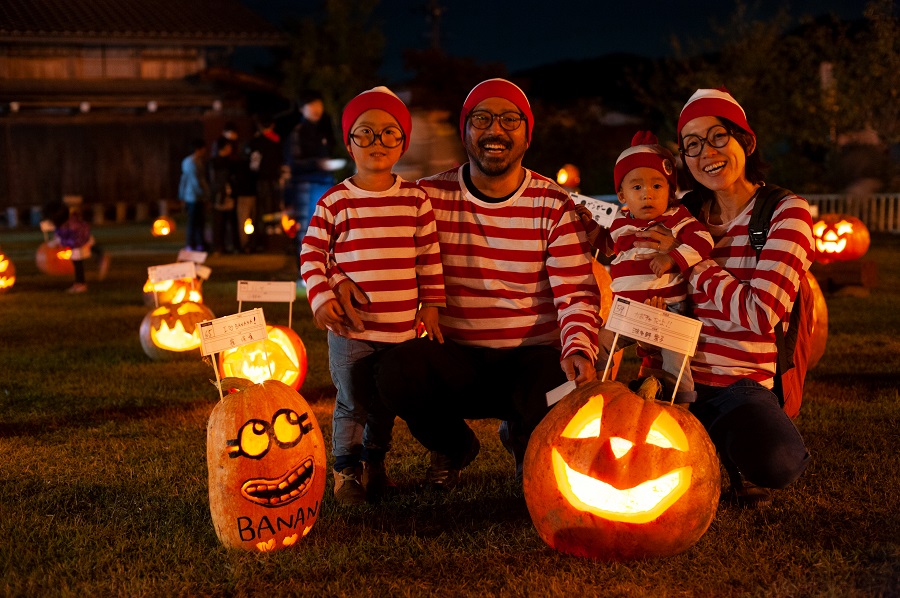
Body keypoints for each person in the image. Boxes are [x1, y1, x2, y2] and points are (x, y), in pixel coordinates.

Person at [331, 78, 601, 490]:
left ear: (528, 135)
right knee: (394, 371)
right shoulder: (426, 197)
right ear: (465, 132)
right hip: (452, 355)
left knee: (560, 385)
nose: (495, 129)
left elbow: (575, 291)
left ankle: (526, 439)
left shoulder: (553, 204)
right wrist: (332, 276)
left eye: (510, 119)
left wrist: (579, 346)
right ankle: (453, 444)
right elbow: (361, 231)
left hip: (528, 360)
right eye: (482, 119)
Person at [637, 87, 813, 507]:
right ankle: (713, 450)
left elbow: (759, 314)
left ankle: (721, 450)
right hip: (675, 376)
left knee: (778, 461)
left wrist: (689, 262)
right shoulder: (682, 212)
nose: (706, 153)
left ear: (745, 142)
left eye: (717, 136)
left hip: (741, 385)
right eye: (691, 144)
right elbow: (638, 263)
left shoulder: (785, 213)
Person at [300, 87, 446, 504]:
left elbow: (428, 256)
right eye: (365, 133)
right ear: (349, 142)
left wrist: (432, 305)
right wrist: (322, 297)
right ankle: (345, 474)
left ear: (402, 142)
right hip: (351, 330)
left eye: (389, 134)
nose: (377, 143)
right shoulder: (336, 201)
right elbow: (312, 252)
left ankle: (375, 464)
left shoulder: (415, 199)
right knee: (351, 402)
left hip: (400, 331)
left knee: (385, 405)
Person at [575, 131, 713, 403]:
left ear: (670, 192)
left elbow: (703, 241)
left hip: (669, 311)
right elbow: (606, 244)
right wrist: (588, 225)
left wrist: (673, 256)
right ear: (622, 195)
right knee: (601, 342)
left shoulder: (676, 219)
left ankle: (682, 408)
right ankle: (596, 392)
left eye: (657, 186)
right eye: (637, 188)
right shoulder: (620, 223)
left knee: (676, 360)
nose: (647, 194)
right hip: (625, 312)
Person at [284, 91, 341, 249]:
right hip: (306, 185)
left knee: (325, 228)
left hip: (324, 184)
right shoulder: (298, 132)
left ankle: (321, 268)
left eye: (319, 104)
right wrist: (319, 163)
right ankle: (304, 271)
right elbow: (294, 161)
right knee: (308, 228)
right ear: (302, 109)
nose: (317, 108)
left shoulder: (320, 131)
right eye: (312, 104)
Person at [45, 202, 109, 293]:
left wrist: (60, 241)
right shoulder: (67, 221)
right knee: (91, 246)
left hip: (79, 243)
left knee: (77, 262)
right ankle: (100, 254)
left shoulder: (71, 227)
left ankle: (80, 284)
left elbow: (71, 239)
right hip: (83, 239)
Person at [245, 114, 284, 252]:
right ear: (272, 125)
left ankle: (260, 239)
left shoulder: (255, 142)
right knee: (275, 206)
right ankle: (275, 236)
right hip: (275, 179)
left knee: (261, 209)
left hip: (261, 180)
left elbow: (253, 164)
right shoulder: (277, 141)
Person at [208, 137, 240, 255]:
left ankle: (226, 246)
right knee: (219, 223)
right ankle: (219, 246)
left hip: (228, 194)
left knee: (229, 222)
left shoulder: (229, 162)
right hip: (220, 195)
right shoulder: (215, 162)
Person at [178, 139, 209, 252]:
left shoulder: (196, 161)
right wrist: (204, 193)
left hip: (195, 196)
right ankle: (191, 244)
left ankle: (199, 242)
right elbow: (195, 180)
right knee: (193, 222)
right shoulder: (191, 162)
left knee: (200, 221)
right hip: (193, 196)